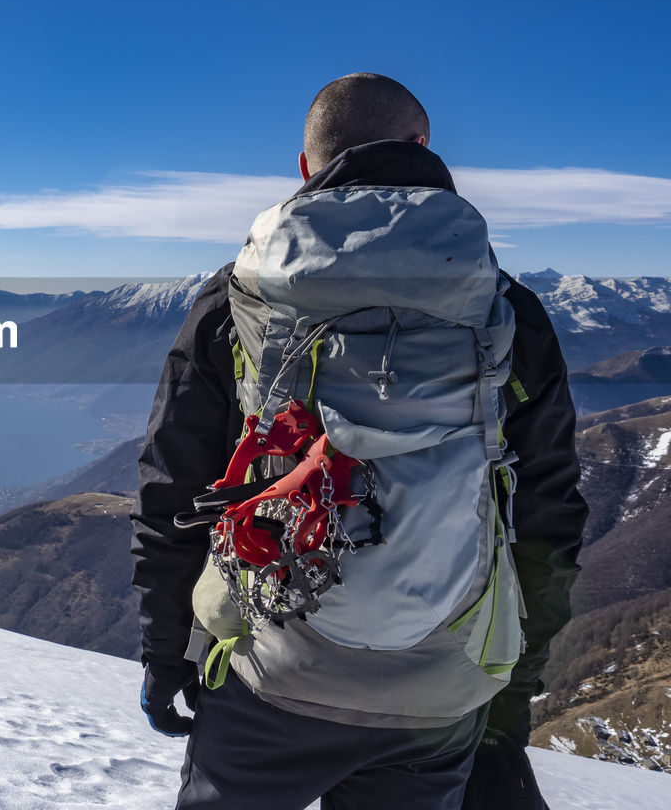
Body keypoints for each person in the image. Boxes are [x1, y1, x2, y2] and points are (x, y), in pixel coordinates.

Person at [131, 73, 588, 810]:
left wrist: (165, 655)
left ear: (307, 168)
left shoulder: (239, 298)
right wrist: (513, 679)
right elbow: (547, 512)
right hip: (441, 688)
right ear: (424, 148)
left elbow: (173, 488)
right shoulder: (506, 309)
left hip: (269, 674)